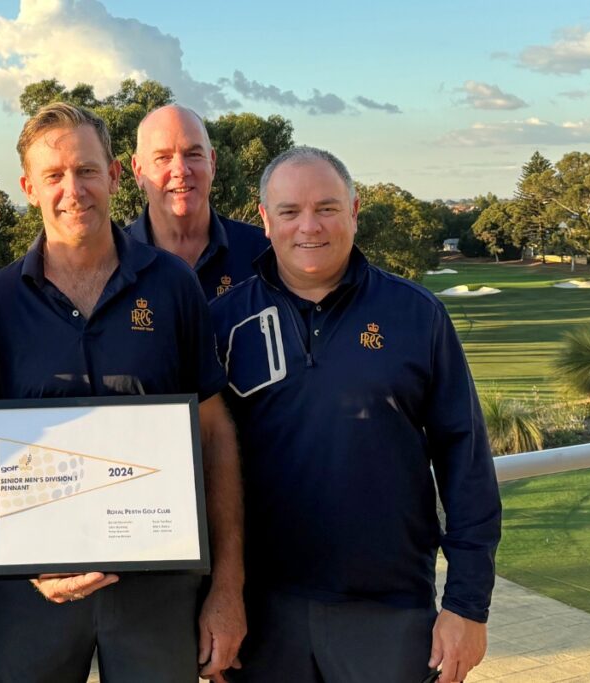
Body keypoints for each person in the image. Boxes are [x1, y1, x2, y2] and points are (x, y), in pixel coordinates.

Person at [0, 102, 246, 682]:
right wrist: (23, 558)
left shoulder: (173, 286)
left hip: (160, 590)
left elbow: (215, 435)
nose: (73, 190)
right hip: (32, 595)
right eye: (54, 176)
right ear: (28, 189)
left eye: (86, 170)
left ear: (115, 175)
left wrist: (228, 587)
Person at [210, 147, 502, 683]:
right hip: (263, 614)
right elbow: (202, 466)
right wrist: (214, 604)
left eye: (326, 207)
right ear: (265, 219)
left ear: (355, 210)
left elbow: (465, 461)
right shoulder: (222, 321)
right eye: (290, 211)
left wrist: (468, 604)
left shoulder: (416, 314)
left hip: (390, 609)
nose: (309, 227)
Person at [127, 104, 269, 299]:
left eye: (193, 154)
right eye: (163, 158)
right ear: (138, 170)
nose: (181, 170)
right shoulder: (110, 262)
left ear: (212, 162)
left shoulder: (265, 256)